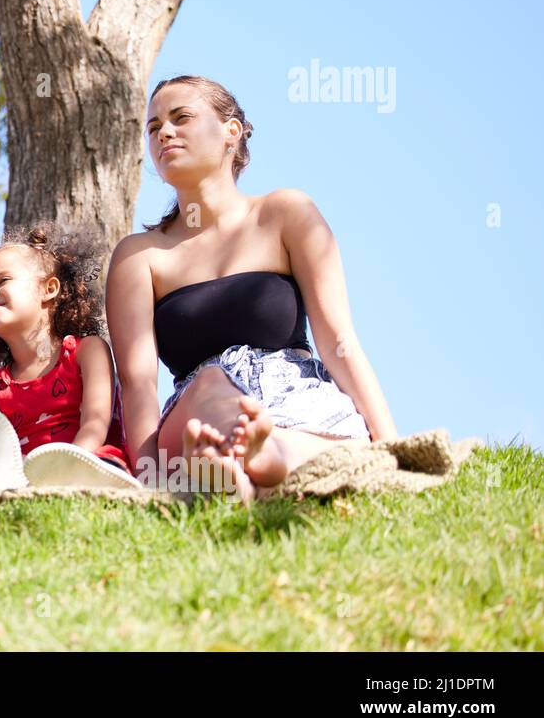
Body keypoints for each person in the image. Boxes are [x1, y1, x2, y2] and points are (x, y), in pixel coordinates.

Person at [106, 75, 398, 501]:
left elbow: (338, 340)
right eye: (153, 128)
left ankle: (250, 467)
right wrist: (147, 477)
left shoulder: (285, 213)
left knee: (338, 451)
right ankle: (245, 458)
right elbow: (137, 384)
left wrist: (392, 446)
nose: (164, 132)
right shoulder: (140, 255)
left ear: (232, 132)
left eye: (180, 117)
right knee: (210, 384)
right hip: (199, 411)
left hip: (299, 401)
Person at [0, 226, 138, 491]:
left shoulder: (86, 351)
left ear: (49, 289)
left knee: (106, 466)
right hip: (22, 479)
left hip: (89, 461)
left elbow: (96, 421)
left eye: (3, 281)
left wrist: (68, 470)